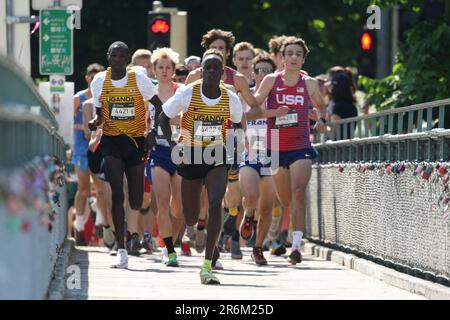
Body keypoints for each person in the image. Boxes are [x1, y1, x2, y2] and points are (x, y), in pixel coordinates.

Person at [159, 49, 244, 285]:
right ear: (201, 71)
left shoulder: (230, 98)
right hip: (191, 155)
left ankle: (207, 264)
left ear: (223, 73)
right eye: (207, 68)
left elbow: (238, 125)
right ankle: (196, 230)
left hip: (217, 154)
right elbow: (163, 118)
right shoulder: (188, 93)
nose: (211, 72)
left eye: (216, 68)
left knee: (216, 201)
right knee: (190, 215)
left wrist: (234, 149)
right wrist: (173, 144)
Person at [89, 41, 161, 269]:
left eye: (122, 56)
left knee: (137, 200)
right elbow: (100, 115)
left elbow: (159, 106)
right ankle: (121, 248)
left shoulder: (139, 79)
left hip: (135, 142)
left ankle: (132, 231)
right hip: (111, 141)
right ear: (108, 57)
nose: (118, 60)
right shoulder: (100, 81)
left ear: (127, 58)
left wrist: (152, 132)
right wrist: (95, 122)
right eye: (114, 56)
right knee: (117, 193)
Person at [254, 37, 326, 265]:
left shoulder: (309, 84)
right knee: (285, 199)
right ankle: (284, 234)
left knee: (297, 192)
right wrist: (273, 113)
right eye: (290, 54)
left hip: (300, 145)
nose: (294, 57)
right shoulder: (271, 80)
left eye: (298, 54)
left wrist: (320, 118)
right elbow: (254, 109)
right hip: (274, 146)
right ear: (282, 58)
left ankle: (296, 245)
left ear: (304, 58)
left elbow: (320, 106)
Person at [148, 47, 185, 267]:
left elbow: (186, 119)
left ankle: (175, 240)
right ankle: (168, 249)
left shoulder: (181, 91)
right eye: (160, 67)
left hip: (179, 150)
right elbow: (143, 122)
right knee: (162, 201)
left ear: (173, 70)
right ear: (153, 70)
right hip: (158, 151)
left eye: (168, 67)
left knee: (178, 207)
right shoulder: (148, 93)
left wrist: (165, 119)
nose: (164, 71)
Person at [239, 53, 278, 265]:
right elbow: (240, 120)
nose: (263, 74)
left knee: (268, 205)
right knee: (252, 195)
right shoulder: (245, 97)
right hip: (249, 152)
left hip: (272, 151)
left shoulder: (279, 98)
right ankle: (248, 215)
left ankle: (258, 247)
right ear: (253, 74)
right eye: (260, 70)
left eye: (268, 71)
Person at [73, 63, 104, 245]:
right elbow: (68, 121)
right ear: (87, 78)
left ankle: (100, 221)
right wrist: (82, 127)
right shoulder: (79, 98)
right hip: (81, 148)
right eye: (91, 76)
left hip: (99, 147)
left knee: (101, 187)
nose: (93, 79)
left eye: (97, 76)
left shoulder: (105, 96)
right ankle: (79, 226)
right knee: (83, 188)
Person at [325, 72, 358, 140]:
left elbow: (332, 135)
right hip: (348, 146)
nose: (329, 88)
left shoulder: (338, 107)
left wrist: (319, 121)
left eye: (331, 85)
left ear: (335, 88)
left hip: (338, 148)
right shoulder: (352, 106)